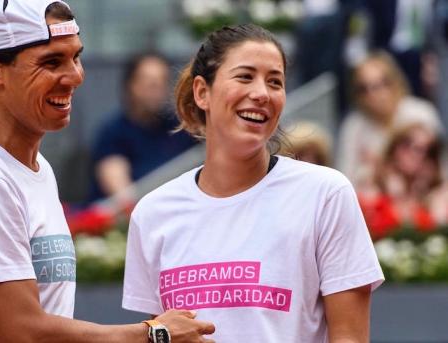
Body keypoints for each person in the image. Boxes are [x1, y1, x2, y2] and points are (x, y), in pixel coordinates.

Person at [0, 1, 215, 342]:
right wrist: (154, 334)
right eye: (51, 62)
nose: (75, 76)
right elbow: (24, 333)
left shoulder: (34, 169)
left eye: (76, 57)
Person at [122, 23, 384, 342]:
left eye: (275, 82)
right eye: (245, 76)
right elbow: (161, 333)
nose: (261, 93)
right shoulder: (153, 212)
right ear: (202, 92)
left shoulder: (326, 193)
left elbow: (351, 338)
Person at [91, 53, 197, 203]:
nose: (156, 90)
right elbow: (122, 195)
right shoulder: (113, 132)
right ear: (130, 85)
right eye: (150, 83)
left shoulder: (181, 127)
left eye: (162, 82)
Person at [336, 50, 443, 187]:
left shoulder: (421, 114)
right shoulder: (354, 126)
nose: (374, 94)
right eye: (364, 88)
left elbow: (441, 167)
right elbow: (346, 179)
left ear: (395, 81)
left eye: (382, 84)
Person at [358, 123, 445, 239]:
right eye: (408, 144)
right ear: (394, 147)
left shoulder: (435, 195)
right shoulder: (372, 188)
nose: (417, 154)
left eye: (428, 151)